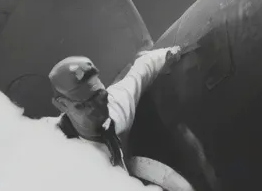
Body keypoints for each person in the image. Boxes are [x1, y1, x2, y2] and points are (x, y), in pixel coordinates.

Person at [47, 47, 182, 170]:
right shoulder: (55, 150)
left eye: (99, 96)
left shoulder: (115, 106)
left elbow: (142, 70)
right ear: (62, 105)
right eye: (82, 105)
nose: (95, 108)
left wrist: (171, 52)